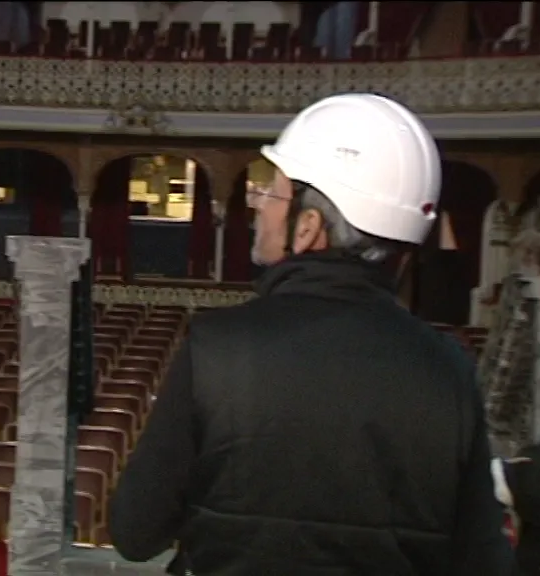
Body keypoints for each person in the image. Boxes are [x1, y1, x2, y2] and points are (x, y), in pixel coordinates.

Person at [107, 93, 516, 575]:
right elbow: (484, 560)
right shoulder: (450, 369)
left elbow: (136, 533)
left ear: (307, 228)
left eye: (272, 193)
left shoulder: (216, 348)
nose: (259, 205)